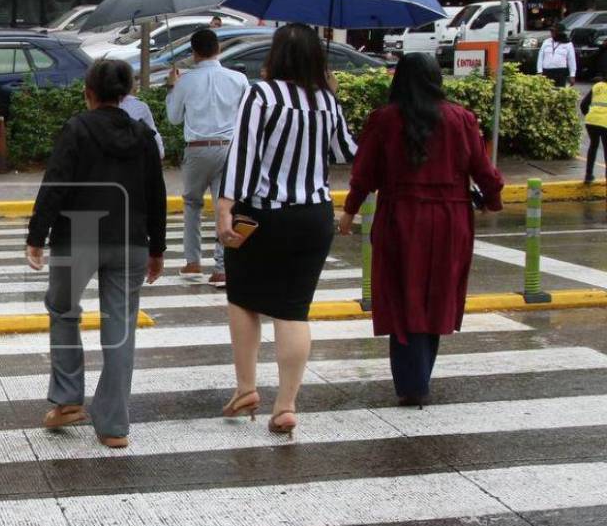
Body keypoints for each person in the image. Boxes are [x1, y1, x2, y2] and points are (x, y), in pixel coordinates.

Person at [216, 23, 358, 436]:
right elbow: (346, 151)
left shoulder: (260, 94)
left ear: (275, 56)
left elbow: (242, 154)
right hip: (313, 216)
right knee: (293, 310)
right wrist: (331, 98)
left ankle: (246, 389)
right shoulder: (326, 100)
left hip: (264, 215)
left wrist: (225, 206)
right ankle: (286, 406)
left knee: (243, 298)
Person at [339, 53, 504, 406]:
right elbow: (483, 169)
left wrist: (350, 211)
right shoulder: (461, 118)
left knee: (402, 293)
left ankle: (412, 380)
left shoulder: (384, 120)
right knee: (438, 293)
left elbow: (364, 173)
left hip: (400, 217)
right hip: (451, 219)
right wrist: (493, 199)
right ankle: (420, 373)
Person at [27, 60, 166, 448]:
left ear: (88, 92)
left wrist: (37, 235)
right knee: (120, 329)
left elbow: (55, 184)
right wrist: (157, 248)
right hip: (130, 240)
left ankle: (68, 399)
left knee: (62, 310)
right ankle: (114, 425)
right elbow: (156, 194)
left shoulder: (76, 129)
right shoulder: (143, 136)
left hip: (78, 237)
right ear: (126, 94)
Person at [166, 28, 250, 287]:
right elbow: (248, 116)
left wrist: (172, 87)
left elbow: (174, 118)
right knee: (224, 205)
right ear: (218, 49)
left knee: (192, 204)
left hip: (197, 148)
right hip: (229, 147)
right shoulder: (239, 79)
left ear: (194, 53)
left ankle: (193, 261)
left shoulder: (186, 81)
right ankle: (222, 267)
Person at [120, 87, 165, 160]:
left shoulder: (104, 107)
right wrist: (160, 152)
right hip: (137, 156)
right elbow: (152, 130)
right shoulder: (140, 106)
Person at [580, 75, 607, 184]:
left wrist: (588, 115)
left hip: (591, 121)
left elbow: (583, 104)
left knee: (593, 146)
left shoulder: (597, 86)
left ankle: (588, 175)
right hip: (605, 122)